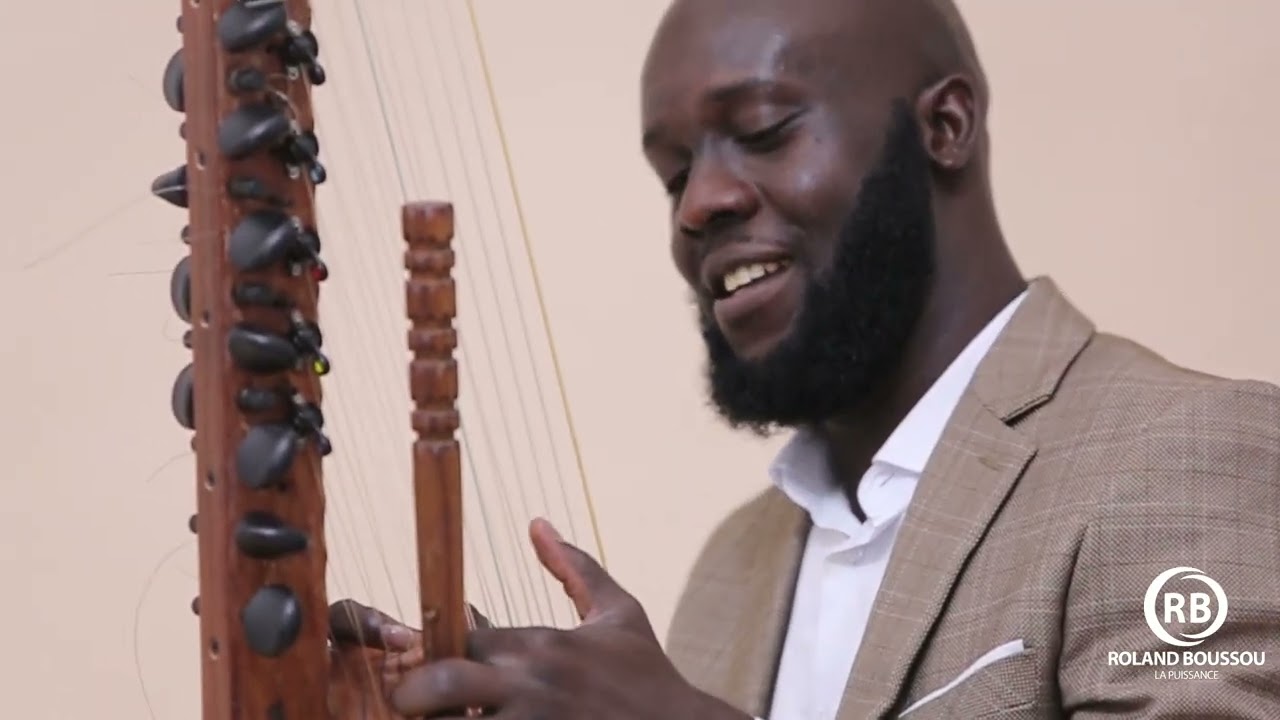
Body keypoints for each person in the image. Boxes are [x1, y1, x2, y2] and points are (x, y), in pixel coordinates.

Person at [327, 0, 1280, 717]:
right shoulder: (734, 570)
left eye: (764, 132)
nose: (699, 204)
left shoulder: (1191, 456)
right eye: (673, 174)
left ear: (945, 127)